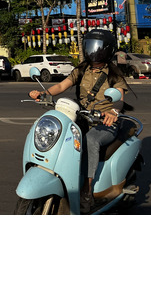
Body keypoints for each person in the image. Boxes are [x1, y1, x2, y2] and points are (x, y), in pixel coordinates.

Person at [28, 29, 129, 213]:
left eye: (97, 46)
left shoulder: (114, 74)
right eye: (91, 45)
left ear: (107, 49)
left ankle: (86, 191)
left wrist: (113, 112)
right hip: (82, 118)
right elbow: (61, 85)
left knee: (91, 140)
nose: (93, 50)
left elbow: (120, 99)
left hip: (104, 122)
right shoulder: (81, 70)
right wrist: (44, 93)